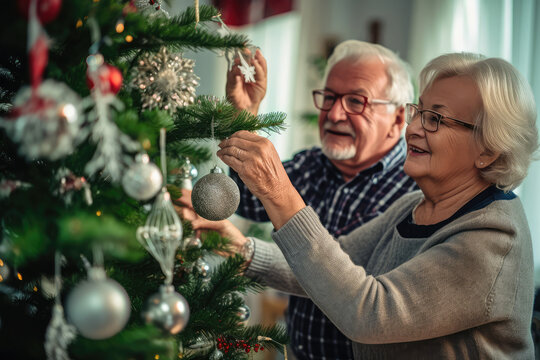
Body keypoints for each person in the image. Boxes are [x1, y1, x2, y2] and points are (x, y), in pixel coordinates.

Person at [192, 52, 538, 358]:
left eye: (435, 118)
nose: (415, 128)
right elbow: (335, 264)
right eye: (420, 111)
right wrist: (242, 249)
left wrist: (280, 192)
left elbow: (370, 313)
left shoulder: (493, 238)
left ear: (489, 149)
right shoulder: (412, 206)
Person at [178, 40, 418, 359]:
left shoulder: (416, 191)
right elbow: (247, 201)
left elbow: (354, 284)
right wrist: (242, 118)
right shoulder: (312, 166)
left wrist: (249, 244)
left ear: (399, 118)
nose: (334, 113)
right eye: (329, 97)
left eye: (356, 102)